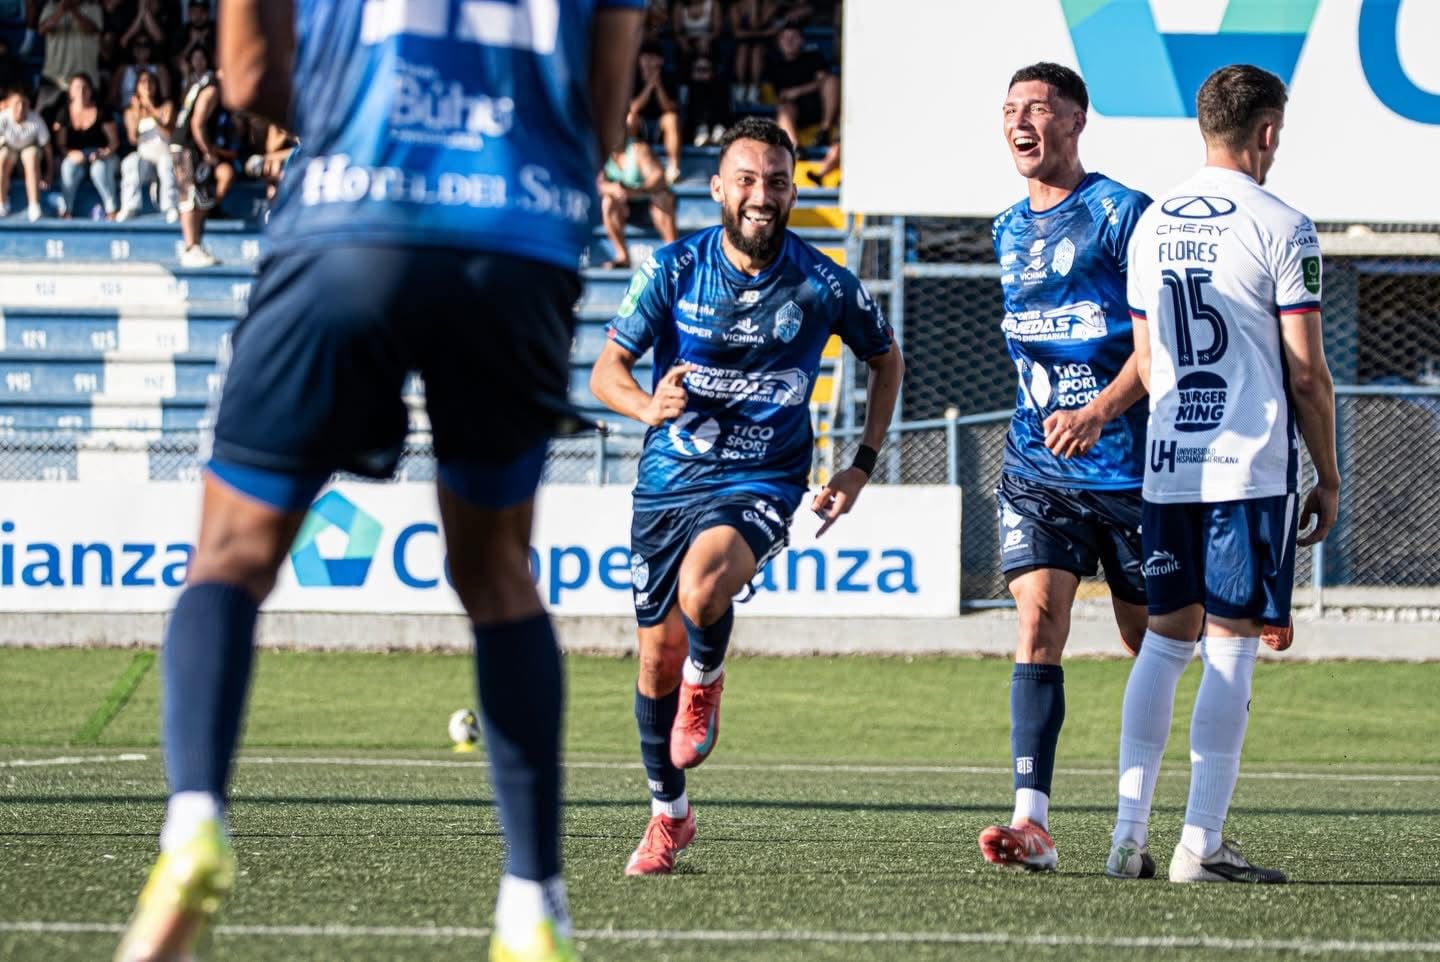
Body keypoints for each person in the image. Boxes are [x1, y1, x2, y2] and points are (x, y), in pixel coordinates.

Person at [112, 3, 644, 962]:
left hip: (349, 221)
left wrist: (368, 116)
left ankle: (192, 821)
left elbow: (244, 82)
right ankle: (531, 904)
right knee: (497, 576)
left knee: (231, 555)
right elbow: (602, 122)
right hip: (516, 242)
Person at [589, 116, 904, 877]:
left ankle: (709, 676)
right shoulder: (671, 268)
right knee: (652, 663)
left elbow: (887, 362)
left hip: (763, 477)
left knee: (705, 590)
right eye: (748, 180)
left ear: (795, 189)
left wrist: (860, 466)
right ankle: (670, 818)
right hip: (669, 482)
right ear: (719, 187)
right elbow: (608, 372)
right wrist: (645, 407)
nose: (763, 195)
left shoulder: (824, 282)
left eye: (777, 181)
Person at [1106, 63, 1338, 885]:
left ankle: (1126, 837)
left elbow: (1144, 357)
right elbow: (1307, 373)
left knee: (1165, 646)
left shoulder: (1151, 224)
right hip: (1247, 465)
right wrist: (1330, 476)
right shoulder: (1284, 223)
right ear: (1267, 131)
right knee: (1231, 649)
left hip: (1169, 465)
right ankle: (1199, 844)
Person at [976, 62, 1152, 873]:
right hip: (1038, 466)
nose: (1022, 122)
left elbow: (1162, 351)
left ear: (1077, 121)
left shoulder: (1124, 216)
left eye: (1039, 109)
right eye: (1011, 109)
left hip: (1133, 474)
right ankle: (1032, 821)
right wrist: (1060, 420)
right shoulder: (1006, 228)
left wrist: (1099, 411)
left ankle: (1146, 817)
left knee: (1148, 643)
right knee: (1037, 620)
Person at [169, 46, 231, 265]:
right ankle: (190, 247)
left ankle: (195, 245)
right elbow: (197, 123)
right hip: (186, 145)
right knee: (189, 196)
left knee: (197, 194)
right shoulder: (212, 88)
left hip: (184, 143)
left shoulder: (202, 82)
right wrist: (208, 151)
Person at [598, 115, 678, 269]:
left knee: (662, 198)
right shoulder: (603, 152)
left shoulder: (638, 149)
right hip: (624, 207)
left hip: (647, 202)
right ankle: (623, 256)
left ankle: (672, 254)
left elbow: (658, 177)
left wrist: (636, 191)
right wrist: (614, 189)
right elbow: (598, 183)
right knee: (608, 202)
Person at [56, 71, 121, 218]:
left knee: (99, 169)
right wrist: (72, 154)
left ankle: (111, 210)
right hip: (78, 158)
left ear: (91, 91)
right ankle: (67, 210)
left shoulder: (102, 112)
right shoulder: (64, 113)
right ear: (70, 91)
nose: (81, 91)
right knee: (68, 167)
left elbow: (114, 142)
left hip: (104, 157)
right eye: (77, 87)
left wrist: (104, 153)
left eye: (85, 88)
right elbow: (61, 145)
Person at [763, 25, 837, 149]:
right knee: (784, 110)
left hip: (821, 105)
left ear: (802, 41)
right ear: (778, 43)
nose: (789, 41)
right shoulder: (776, 66)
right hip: (798, 111)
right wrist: (809, 87)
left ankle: (824, 132)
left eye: (793, 37)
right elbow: (783, 95)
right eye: (784, 38)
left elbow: (825, 80)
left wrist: (798, 91)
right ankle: (795, 149)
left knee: (832, 81)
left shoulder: (813, 57)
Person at [118, 68, 176, 220]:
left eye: (151, 82)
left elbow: (169, 133)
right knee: (130, 162)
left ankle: (170, 207)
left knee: (167, 163)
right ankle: (130, 207)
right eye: (143, 82)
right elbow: (133, 138)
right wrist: (138, 112)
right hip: (145, 158)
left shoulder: (167, 106)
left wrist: (150, 108)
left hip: (164, 154)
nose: (147, 85)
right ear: (137, 87)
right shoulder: (131, 111)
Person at [630, 40, 682, 185]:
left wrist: (657, 85)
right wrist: (648, 86)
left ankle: (674, 168)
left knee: (671, 118)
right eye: (645, 58)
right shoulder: (632, 78)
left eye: (652, 58)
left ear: (661, 60)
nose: (648, 62)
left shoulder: (669, 77)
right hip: (640, 123)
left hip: (660, 123)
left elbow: (669, 107)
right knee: (630, 118)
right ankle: (631, 165)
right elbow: (633, 107)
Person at [0, 88, 54, 220]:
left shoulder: (36, 120)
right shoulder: (3, 118)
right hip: (10, 150)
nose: (20, 107)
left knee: (31, 155)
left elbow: (47, 148)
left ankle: (34, 205)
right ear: (9, 104)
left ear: (29, 104)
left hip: (28, 150)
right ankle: (1, 202)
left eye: (24, 103)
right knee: (3, 156)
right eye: (16, 103)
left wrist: (49, 173)